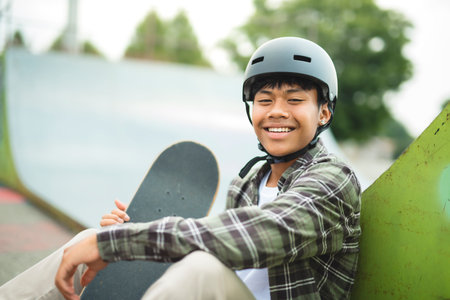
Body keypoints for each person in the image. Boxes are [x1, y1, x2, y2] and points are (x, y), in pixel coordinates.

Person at [1, 37, 361, 300]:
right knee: (85, 242)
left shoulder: (333, 180)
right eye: (264, 100)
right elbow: (224, 254)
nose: (277, 111)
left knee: (199, 270)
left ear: (324, 113)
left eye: (295, 100)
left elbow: (257, 236)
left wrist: (120, 244)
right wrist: (128, 238)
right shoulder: (249, 182)